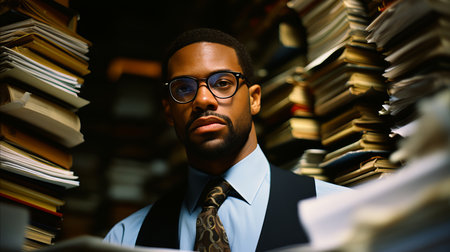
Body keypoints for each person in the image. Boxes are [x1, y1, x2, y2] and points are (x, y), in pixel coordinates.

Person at [104, 28, 345, 251]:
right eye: (184, 89)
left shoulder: (340, 212)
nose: (203, 100)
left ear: (254, 99)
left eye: (222, 83)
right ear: (169, 112)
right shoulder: (126, 240)